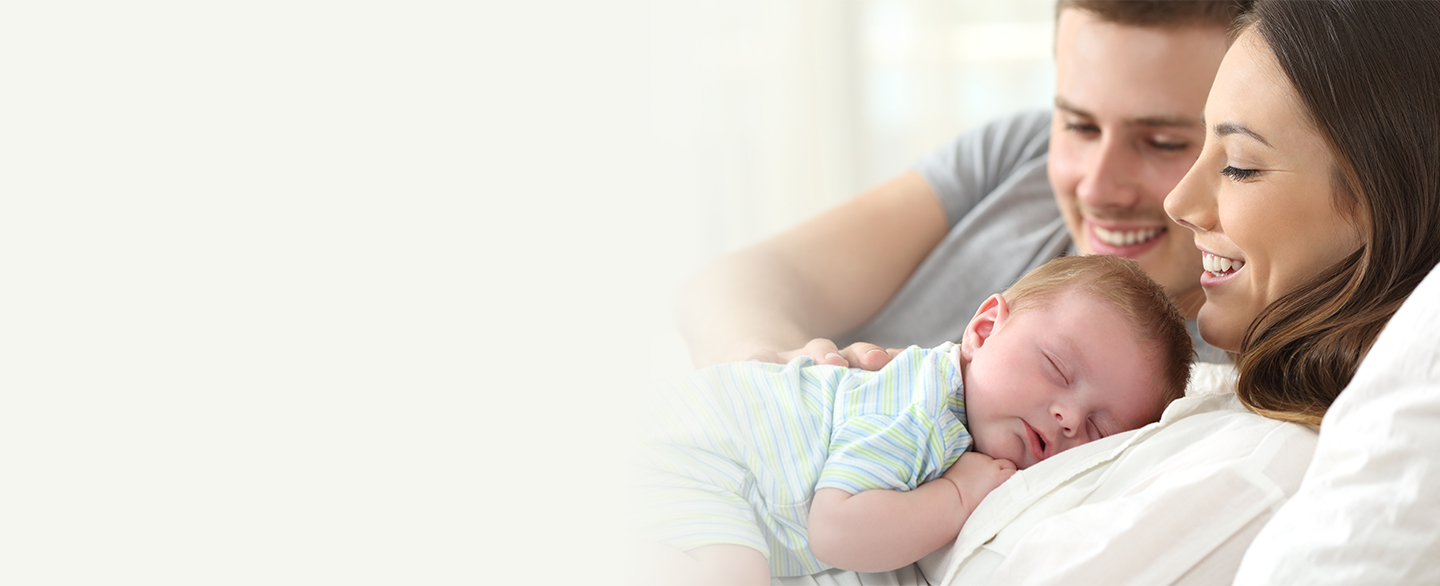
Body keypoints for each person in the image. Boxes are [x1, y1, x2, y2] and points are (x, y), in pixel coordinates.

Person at [892, 2, 1440, 584]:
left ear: (1387, 202)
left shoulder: (1264, 474)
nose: (1179, 203)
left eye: (1239, 167)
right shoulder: (1221, 403)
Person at [676, 0, 1247, 371]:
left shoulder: (1232, 376)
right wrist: (780, 371)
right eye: (1078, 125)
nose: (1097, 188)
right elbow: (735, 284)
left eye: (1164, 142)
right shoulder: (1019, 153)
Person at [638, 255, 1195, 585]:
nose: (1068, 417)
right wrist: (957, 496)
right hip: (695, 455)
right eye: (1055, 367)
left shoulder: (954, 417)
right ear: (982, 331)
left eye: (1100, 428)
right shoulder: (923, 407)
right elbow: (837, 531)